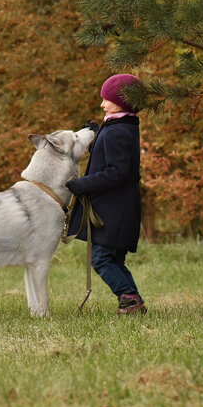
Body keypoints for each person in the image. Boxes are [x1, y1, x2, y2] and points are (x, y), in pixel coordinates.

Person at [66, 74, 147, 314]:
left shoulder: (118, 131)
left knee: (101, 259)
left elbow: (117, 171)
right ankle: (133, 301)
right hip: (119, 207)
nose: (102, 104)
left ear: (122, 101)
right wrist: (95, 137)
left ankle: (129, 299)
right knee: (113, 259)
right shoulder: (121, 126)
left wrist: (83, 184)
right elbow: (109, 153)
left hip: (115, 210)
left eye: (107, 99)